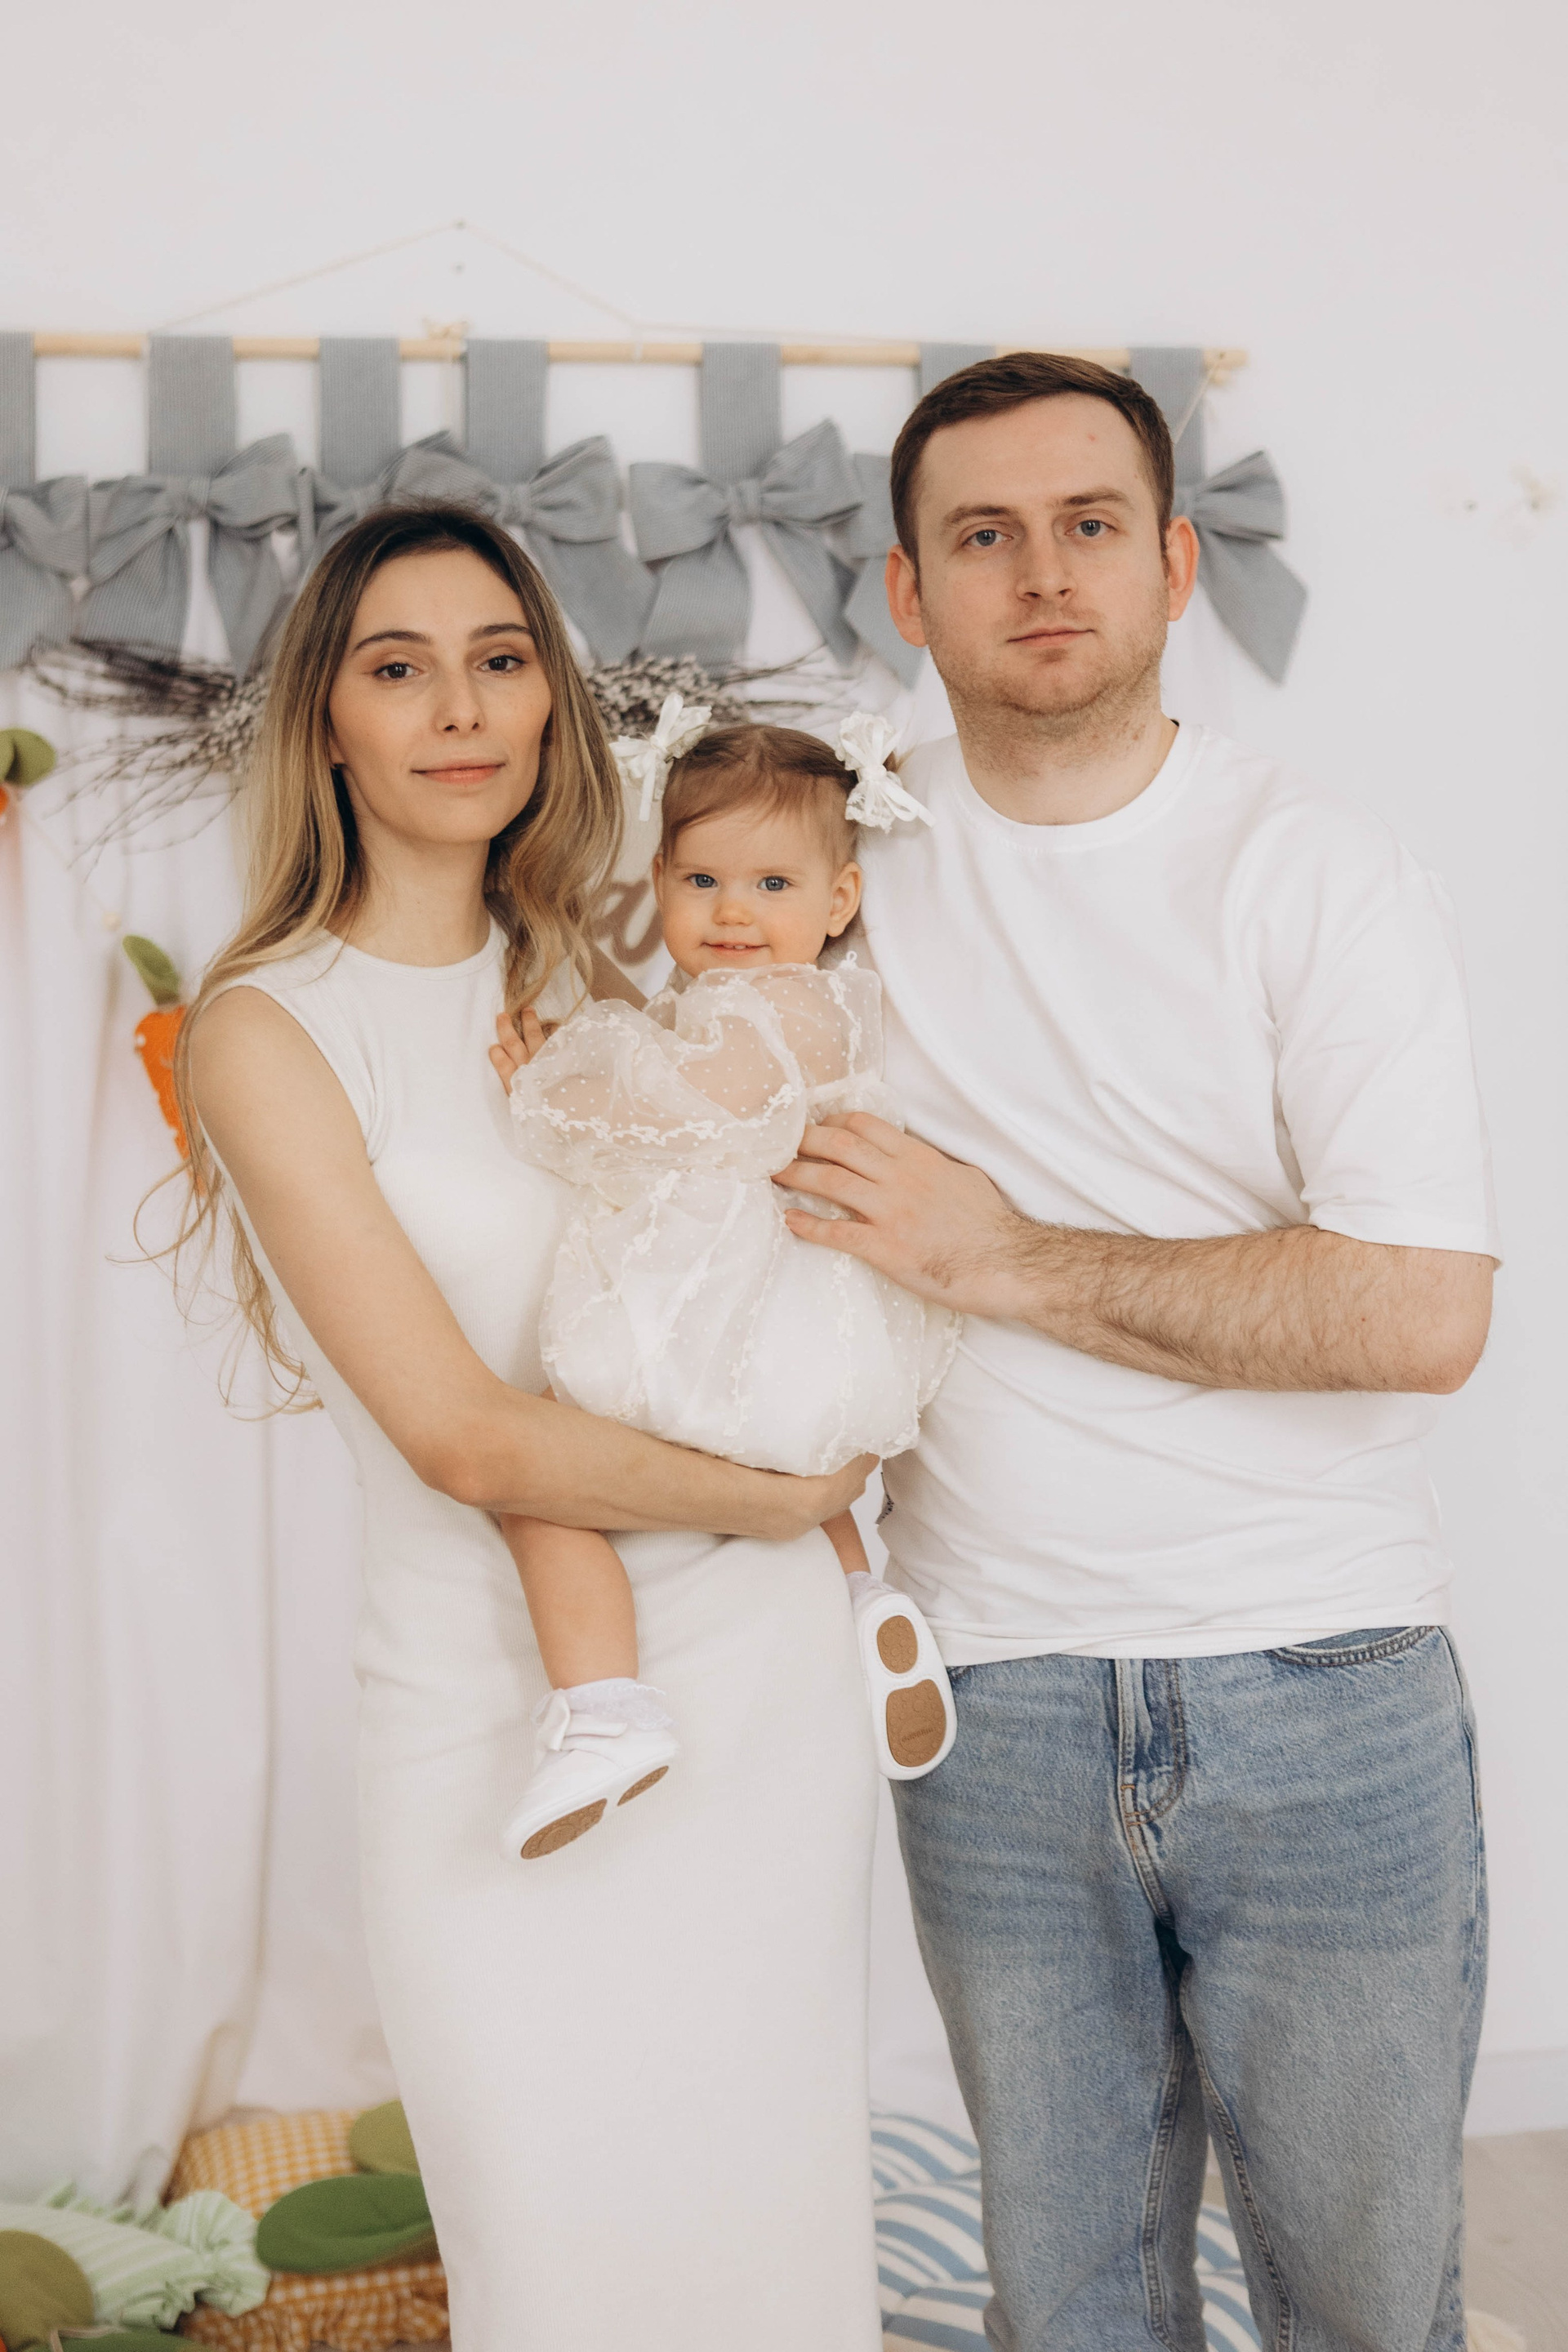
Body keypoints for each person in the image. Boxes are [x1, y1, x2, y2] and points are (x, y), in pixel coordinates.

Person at [779, 354, 1498, 2350]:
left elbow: (1420, 1312)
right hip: (986, 1701)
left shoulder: (1319, 873)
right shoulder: (832, 864)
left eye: (1089, 525)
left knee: (1365, 2306)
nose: (1042, 573)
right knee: (1069, 2307)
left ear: (1175, 566)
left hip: (1320, 1679)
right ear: (907, 592)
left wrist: (1001, 1258)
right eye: (982, 535)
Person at [180, 504, 884, 2352]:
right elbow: (467, 1441)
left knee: (772, 2231)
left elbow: (752, 1258)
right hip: (492, 1720)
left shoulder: (607, 980)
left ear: (551, 703)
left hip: (754, 1693)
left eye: (500, 660)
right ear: (325, 722)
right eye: (397, 668)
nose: (460, 709)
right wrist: (781, 1495)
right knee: (558, 2263)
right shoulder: (268, 1029)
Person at [489, 711, 958, 1860]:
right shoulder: (757, 1004)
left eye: (772, 884)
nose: (733, 912)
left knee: (541, 1481)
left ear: (840, 901)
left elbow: (688, 1108)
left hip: (737, 1322)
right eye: (702, 881)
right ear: (658, 882)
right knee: (797, 1459)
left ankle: (605, 1710)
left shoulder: (793, 1006)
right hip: (802, 1338)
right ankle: (866, 1604)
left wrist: (558, 1080)